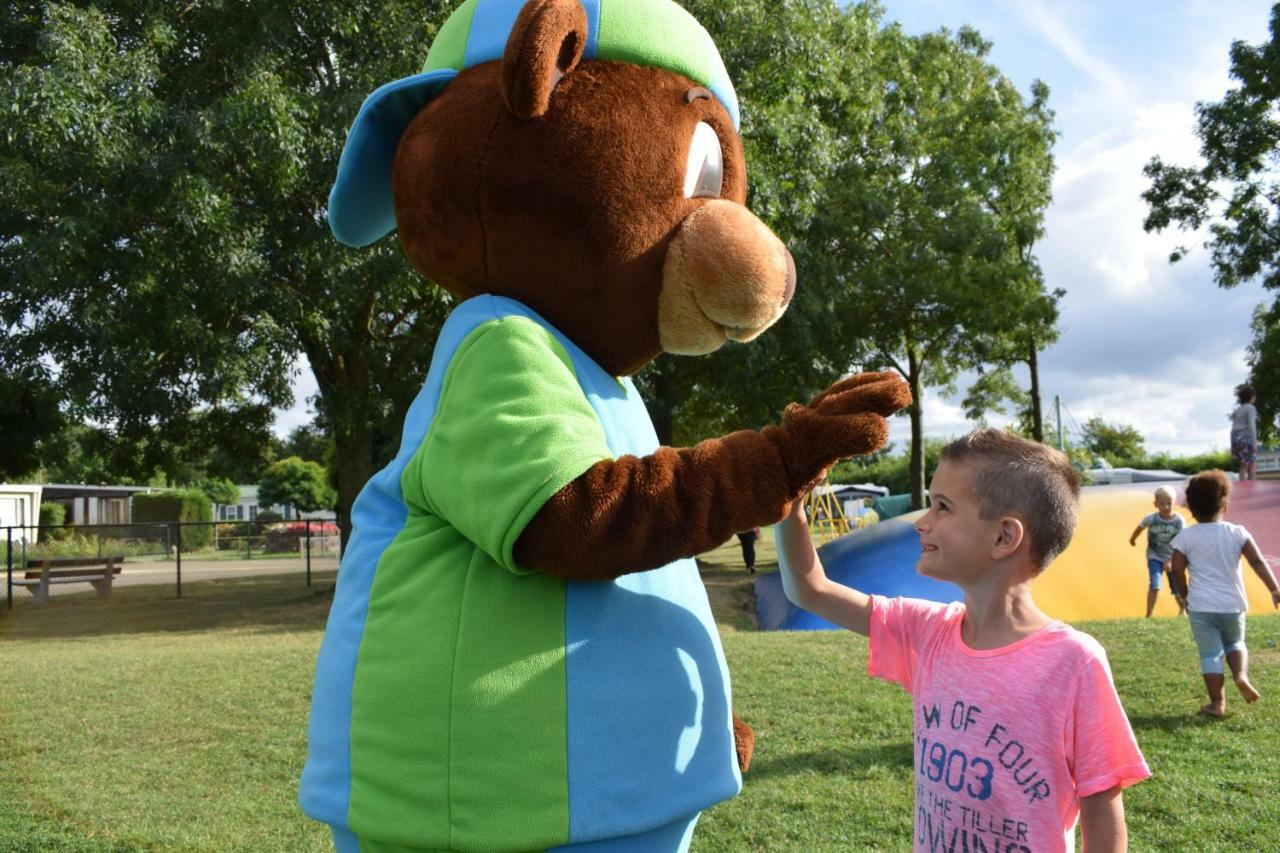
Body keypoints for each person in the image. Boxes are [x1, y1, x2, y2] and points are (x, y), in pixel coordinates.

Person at [776, 429, 1149, 852]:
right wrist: (791, 509)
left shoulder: (1073, 661)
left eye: (943, 507)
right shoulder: (928, 631)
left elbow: (1101, 808)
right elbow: (809, 589)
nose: (922, 521)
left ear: (1004, 537)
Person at [1168, 469, 1280, 717]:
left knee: (1210, 653)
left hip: (1201, 606)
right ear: (1225, 505)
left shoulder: (1186, 536)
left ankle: (1217, 703)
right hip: (1232, 604)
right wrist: (1274, 588)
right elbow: (1258, 561)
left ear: (1192, 509)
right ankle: (1240, 676)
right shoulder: (1236, 532)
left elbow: (1176, 569)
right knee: (1235, 642)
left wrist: (1184, 595)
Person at [1127, 485, 1187, 617]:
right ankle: (1149, 614)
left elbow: (1182, 541)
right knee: (1155, 584)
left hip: (1173, 556)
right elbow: (1140, 527)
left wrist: (1171, 560)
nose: (1166, 507)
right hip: (1154, 555)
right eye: (1162, 504)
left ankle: (1184, 610)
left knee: (1176, 587)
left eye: (1169, 504)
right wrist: (1133, 539)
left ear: (1174, 503)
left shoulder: (1179, 521)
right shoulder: (1152, 518)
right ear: (1156, 504)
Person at [1230, 385, 1258, 481]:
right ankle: (1252, 485)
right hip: (1246, 438)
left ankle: (1243, 488)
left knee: (1243, 465)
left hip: (1236, 438)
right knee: (1252, 463)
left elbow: (1233, 428)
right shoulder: (1251, 408)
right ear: (1251, 396)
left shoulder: (1237, 410)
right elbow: (1251, 426)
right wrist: (1254, 443)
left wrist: (1232, 446)